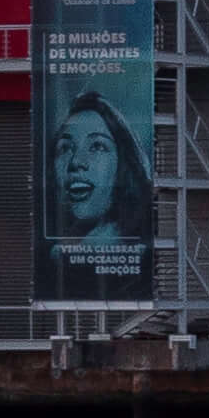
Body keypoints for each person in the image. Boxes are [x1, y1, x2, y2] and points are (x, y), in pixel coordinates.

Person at [42, 86, 155, 289]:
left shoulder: (143, 255)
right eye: (65, 147)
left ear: (123, 164)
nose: (76, 161)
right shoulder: (52, 258)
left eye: (97, 146)